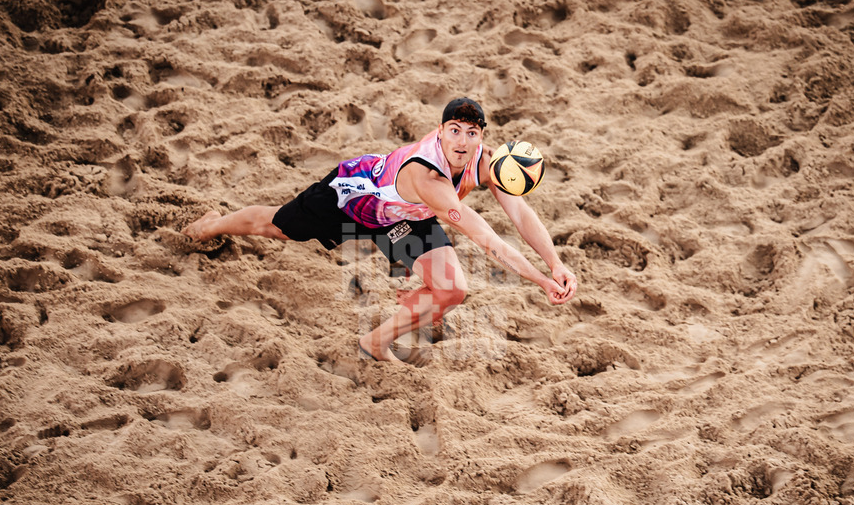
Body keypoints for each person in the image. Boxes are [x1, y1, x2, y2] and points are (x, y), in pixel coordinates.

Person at [183, 97, 578, 363]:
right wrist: (542, 281)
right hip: (352, 198)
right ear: (440, 131)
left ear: (482, 138)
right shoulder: (429, 178)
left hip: (403, 218)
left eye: (471, 133)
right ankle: (211, 225)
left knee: (452, 289)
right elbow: (488, 240)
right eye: (454, 130)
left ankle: (375, 342)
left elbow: (520, 213)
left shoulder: (489, 160)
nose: (462, 140)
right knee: (276, 227)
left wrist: (555, 262)